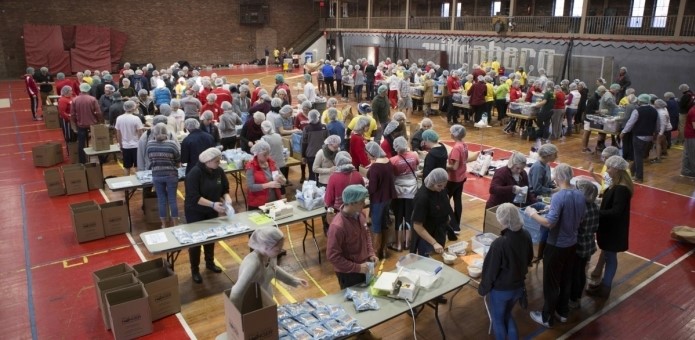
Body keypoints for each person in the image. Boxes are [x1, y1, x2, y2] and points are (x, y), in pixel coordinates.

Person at [525, 164, 586, 328]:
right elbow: (580, 219)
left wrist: (533, 214)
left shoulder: (559, 196)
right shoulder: (580, 194)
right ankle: (562, 312)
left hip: (556, 245)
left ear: (558, 177)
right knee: (566, 279)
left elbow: (550, 223)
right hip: (572, 243)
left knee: (551, 282)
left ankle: (546, 317)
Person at [478, 203, 533, 340]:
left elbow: (490, 272)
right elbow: (529, 258)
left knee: (497, 319)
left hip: (502, 290)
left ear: (502, 220)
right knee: (507, 315)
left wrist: (483, 289)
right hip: (518, 287)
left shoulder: (500, 243)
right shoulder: (526, 235)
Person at [586, 156, 633, 298]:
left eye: (609, 168)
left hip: (613, 229)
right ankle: (604, 284)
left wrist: (597, 211)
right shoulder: (619, 184)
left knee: (610, 257)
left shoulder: (621, 188)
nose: (607, 170)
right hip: (613, 228)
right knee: (608, 256)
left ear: (617, 169)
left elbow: (616, 211)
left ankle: (606, 287)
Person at [229, 227, 308, 309]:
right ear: (266, 247)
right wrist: (237, 317)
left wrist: (294, 280)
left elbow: (273, 269)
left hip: (266, 301)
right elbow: (236, 294)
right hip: (252, 306)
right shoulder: (252, 264)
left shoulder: (270, 255)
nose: (280, 251)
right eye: (277, 250)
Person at [184, 148, 230, 283]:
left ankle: (209, 263)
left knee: (210, 237)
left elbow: (224, 188)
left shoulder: (218, 171)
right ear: (207, 161)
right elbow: (193, 197)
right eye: (216, 161)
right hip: (195, 211)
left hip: (212, 210)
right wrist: (212, 204)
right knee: (196, 241)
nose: (219, 163)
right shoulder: (194, 173)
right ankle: (195, 269)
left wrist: (227, 198)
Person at [326, 185, 378, 289]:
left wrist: (371, 253)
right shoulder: (338, 226)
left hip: (364, 267)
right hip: (349, 274)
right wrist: (357, 268)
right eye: (361, 201)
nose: (364, 204)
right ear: (351, 203)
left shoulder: (359, 214)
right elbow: (333, 256)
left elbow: (366, 234)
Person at [569, 180, 600, 309]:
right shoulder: (595, 207)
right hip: (589, 243)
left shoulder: (581, 209)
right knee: (581, 271)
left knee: (575, 273)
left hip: (578, 244)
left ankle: (573, 298)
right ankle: (577, 297)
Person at [365, 141, 397, 259]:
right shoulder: (388, 161)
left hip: (378, 199)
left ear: (372, 154)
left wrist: (366, 188)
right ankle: (384, 249)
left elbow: (373, 188)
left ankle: (375, 252)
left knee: (376, 226)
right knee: (384, 223)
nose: (367, 156)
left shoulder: (375, 167)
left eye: (367, 154)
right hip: (388, 197)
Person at [146, 123, 181, 228]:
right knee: (172, 199)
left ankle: (164, 224)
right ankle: (175, 224)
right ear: (166, 133)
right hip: (171, 174)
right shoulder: (172, 144)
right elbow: (178, 160)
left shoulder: (150, 144)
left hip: (157, 174)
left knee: (161, 200)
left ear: (154, 133)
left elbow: (150, 159)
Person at [411, 168, 452, 256]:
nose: (442, 188)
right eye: (439, 186)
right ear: (432, 183)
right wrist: (434, 243)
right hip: (427, 237)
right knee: (427, 262)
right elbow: (417, 226)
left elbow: (445, 201)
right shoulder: (422, 198)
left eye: (444, 185)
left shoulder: (441, 190)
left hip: (439, 232)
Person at [620, 94, 659, 182]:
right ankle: (631, 172)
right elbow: (657, 124)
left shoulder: (637, 110)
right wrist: (655, 134)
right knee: (640, 155)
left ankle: (639, 177)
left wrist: (623, 132)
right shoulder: (654, 110)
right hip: (649, 136)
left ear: (640, 101)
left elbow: (630, 123)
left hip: (638, 136)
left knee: (638, 157)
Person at [447, 125, 478, 234]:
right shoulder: (464, 145)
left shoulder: (456, 148)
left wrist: (443, 165)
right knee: (457, 200)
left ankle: (454, 225)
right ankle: (457, 224)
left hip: (453, 178)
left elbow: (454, 167)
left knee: (445, 200)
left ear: (453, 134)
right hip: (462, 176)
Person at [389, 137, 418, 252]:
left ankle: (398, 244)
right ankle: (407, 242)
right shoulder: (414, 156)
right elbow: (416, 167)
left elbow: (392, 175)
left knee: (399, 216)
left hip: (399, 190)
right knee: (409, 215)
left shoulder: (393, 160)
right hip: (412, 189)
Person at [245, 141, 285, 211]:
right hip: (258, 205)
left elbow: (284, 180)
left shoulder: (272, 163)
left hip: (274, 202)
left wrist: (281, 180)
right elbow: (251, 187)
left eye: (268, 154)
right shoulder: (250, 166)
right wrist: (268, 185)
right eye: (264, 155)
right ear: (257, 153)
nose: (267, 156)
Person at [70, 83, 103, 163]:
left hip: (81, 125)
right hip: (93, 124)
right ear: (88, 89)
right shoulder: (92, 99)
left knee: (81, 144)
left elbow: (72, 114)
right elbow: (98, 112)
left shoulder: (75, 100)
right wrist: (99, 120)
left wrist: (75, 123)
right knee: (97, 142)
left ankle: (82, 161)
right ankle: (101, 159)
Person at [115, 101, 145, 176]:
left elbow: (118, 133)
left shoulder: (119, 118)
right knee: (137, 165)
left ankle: (127, 185)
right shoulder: (136, 118)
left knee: (126, 166)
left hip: (125, 146)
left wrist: (120, 144)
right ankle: (139, 186)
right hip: (136, 145)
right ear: (133, 108)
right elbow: (140, 133)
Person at [301, 110, 329, 182]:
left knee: (312, 173)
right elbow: (328, 141)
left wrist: (303, 156)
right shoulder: (324, 127)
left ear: (309, 117)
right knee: (322, 173)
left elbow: (304, 143)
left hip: (311, 155)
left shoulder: (306, 129)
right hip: (323, 154)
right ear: (318, 117)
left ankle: (312, 189)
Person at [261, 120, 287, 191]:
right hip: (281, 163)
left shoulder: (264, 138)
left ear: (263, 129)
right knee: (282, 185)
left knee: (275, 186)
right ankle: (283, 200)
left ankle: (277, 201)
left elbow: (262, 153)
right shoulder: (278, 135)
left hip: (273, 166)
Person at [57, 86, 77, 154]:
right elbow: (62, 112)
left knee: (74, 135)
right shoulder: (63, 100)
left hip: (73, 120)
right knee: (69, 136)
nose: (72, 92)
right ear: (66, 92)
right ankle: (70, 151)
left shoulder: (71, 98)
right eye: (70, 91)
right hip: (67, 121)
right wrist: (68, 118)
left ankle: (74, 150)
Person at [683, 103, 695, 178]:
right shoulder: (694, 111)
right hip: (691, 135)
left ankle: (686, 171)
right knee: (692, 154)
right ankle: (693, 171)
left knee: (688, 153)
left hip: (690, 135)